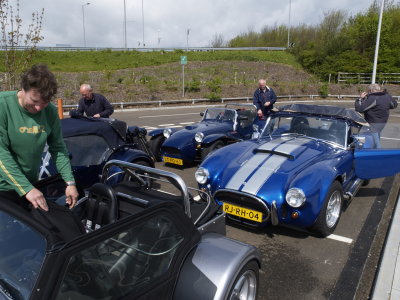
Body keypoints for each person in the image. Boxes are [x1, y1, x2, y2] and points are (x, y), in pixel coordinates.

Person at [0, 64, 78, 211]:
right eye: (34, 101)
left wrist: (70, 183)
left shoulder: (49, 112)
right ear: (23, 89)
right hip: (3, 187)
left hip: (30, 184)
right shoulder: (3, 105)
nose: (38, 108)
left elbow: (58, 148)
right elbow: (1, 154)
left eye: (44, 103)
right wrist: (26, 189)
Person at [355, 83, 398, 148]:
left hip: (373, 122)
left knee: (376, 142)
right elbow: (394, 105)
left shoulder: (373, 97)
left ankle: (378, 154)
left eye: (368, 91)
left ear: (371, 90)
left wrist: (360, 99)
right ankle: (374, 151)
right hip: (383, 121)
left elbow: (360, 109)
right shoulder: (387, 95)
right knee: (376, 136)